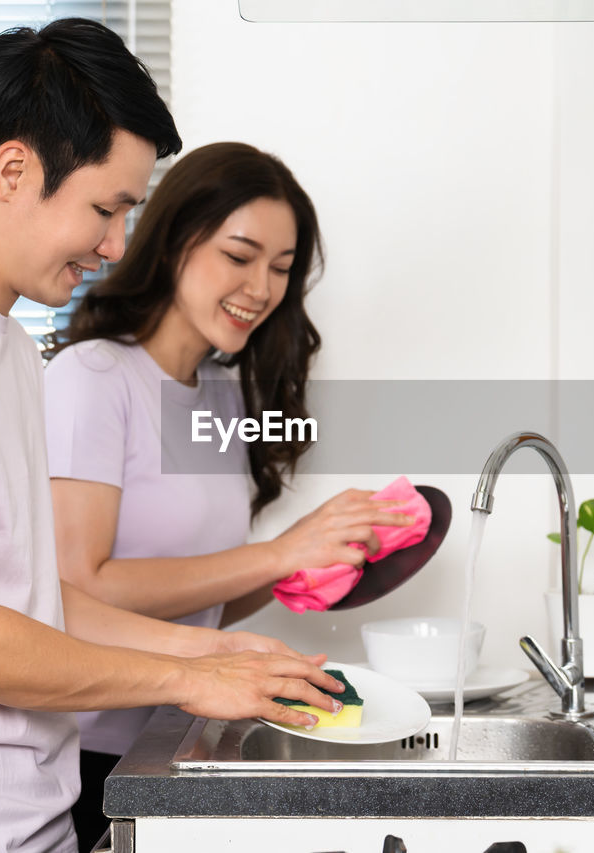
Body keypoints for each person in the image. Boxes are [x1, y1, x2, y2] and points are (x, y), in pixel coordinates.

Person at [0, 22, 341, 853]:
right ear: (13, 170)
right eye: (104, 207)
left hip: (23, 823)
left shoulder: (5, 344)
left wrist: (220, 655)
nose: (117, 244)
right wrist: (185, 675)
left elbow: (39, 601)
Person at [43, 141, 413, 849]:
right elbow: (75, 588)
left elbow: (204, 593)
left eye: (281, 268)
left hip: (187, 730)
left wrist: (307, 567)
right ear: (177, 238)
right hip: (92, 756)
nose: (262, 288)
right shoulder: (92, 378)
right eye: (239, 256)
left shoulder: (222, 392)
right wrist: (276, 551)